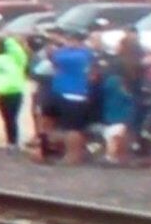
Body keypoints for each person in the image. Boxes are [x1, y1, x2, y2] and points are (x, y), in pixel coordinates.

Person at [43, 32, 97, 165]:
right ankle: (61, 151)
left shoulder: (80, 55)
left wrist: (58, 45)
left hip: (74, 94)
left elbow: (54, 58)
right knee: (54, 123)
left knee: (73, 128)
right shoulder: (83, 53)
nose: (69, 42)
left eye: (71, 39)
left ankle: (73, 157)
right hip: (61, 91)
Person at [0, 36, 29, 151]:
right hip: (15, 91)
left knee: (7, 118)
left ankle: (11, 141)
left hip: (2, 92)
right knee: (13, 118)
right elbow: (20, 53)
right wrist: (9, 39)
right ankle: (13, 142)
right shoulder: (16, 59)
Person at [97, 59, 136, 164]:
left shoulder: (112, 80)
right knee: (119, 136)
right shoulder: (127, 82)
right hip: (125, 113)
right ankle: (121, 156)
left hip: (112, 112)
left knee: (111, 136)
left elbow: (103, 91)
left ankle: (110, 156)